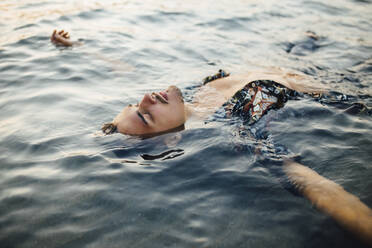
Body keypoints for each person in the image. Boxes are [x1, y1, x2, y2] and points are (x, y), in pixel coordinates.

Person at [51, 30, 372, 246]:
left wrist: (76, 48)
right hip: (346, 89)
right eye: (146, 115)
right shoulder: (238, 130)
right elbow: (314, 185)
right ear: (171, 142)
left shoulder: (190, 96)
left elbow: (126, 70)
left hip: (296, 56)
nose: (147, 97)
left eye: (137, 104)